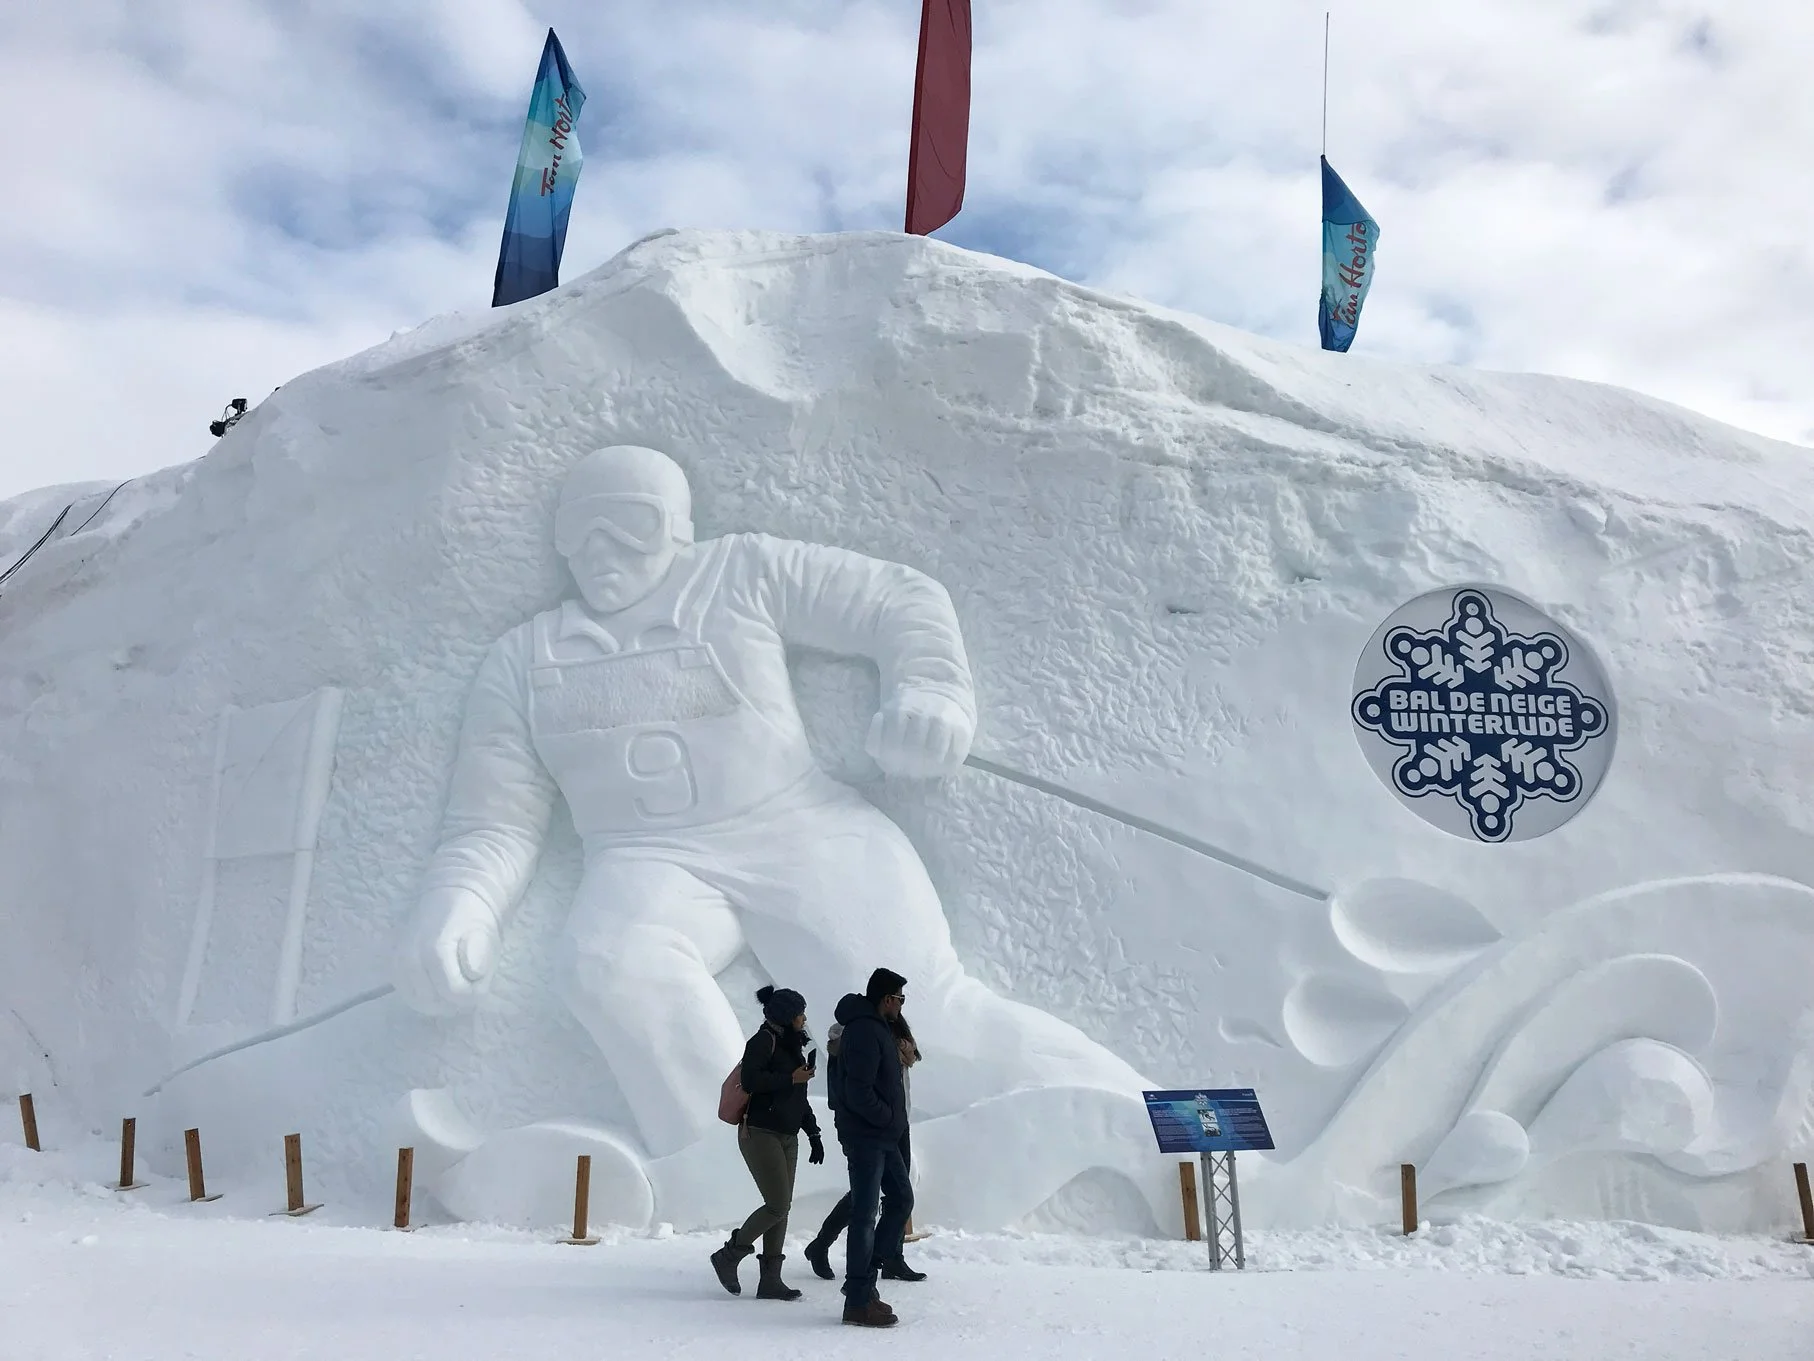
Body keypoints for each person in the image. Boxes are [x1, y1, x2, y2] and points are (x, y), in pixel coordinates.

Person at [394, 445, 1150, 1200]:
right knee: (607, 962)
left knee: (920, 1024)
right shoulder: (523, 659)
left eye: (629, 523)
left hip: (796, 828)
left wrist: (931, 694)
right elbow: (492, 819)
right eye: (580, 530)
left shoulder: (740, 573)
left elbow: (898, 598)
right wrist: (461, 905)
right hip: (645, 860)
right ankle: (751, 1160)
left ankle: (1172, 1131)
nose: (602, 551)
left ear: (678, 528)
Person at [710, 986, 825, 1300]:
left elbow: (798, 1098)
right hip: (760, 1132)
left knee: (782, 1207)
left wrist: (813, 1134)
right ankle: (729, 1255)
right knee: (777, 1204)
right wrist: (791, 1078)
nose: (804, 1018)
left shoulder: (792, 1046)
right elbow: (751, 1081)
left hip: (788, 1134)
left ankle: (770, 1280)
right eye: (799, 1013)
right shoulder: (763, 1041)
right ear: (787, 1017)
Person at [805, 1012, 924, 1283]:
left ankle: (892, 1256)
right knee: (866, 1194)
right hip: (870, 1126)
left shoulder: (889, 1032)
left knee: (894, 1191)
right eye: (895, 999)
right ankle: (825, 1245)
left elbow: (911, 1056)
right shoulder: (853, 1037)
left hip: (896, 1122)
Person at [830, 968, 914, 1328]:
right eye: (899, 998)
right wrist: (885, 1118)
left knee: (901, 1199)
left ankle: (865, 1281)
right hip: (868, 1136)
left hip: (883, 1135)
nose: (901, 1005)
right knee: (865, 1215)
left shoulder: (875, 1026)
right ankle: (858, 1299)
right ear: (886, 999)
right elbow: (858, 1090)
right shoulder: (865, 1030)